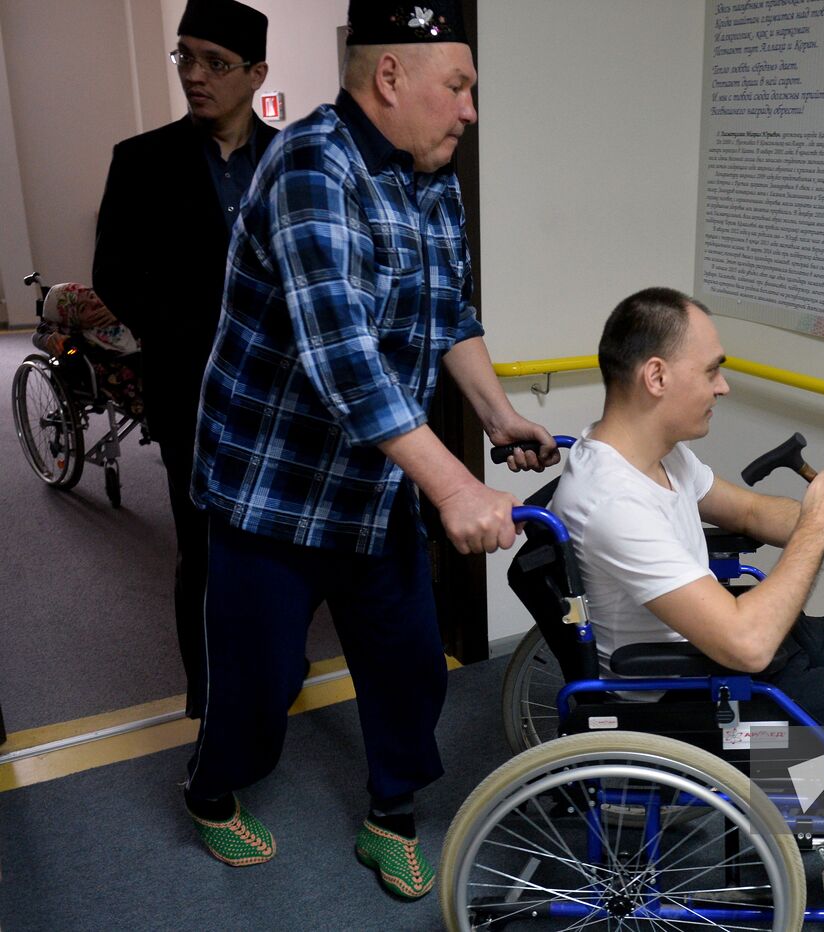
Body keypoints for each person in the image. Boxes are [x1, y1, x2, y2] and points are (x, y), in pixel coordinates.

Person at [181, 0, 557, 899]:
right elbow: (343, 360)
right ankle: (210, 790)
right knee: (257, 683)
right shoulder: (312, 166)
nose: (470, 110)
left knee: (408, 666)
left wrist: (498, 415)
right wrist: (459, 488)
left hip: (374, 490)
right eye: (458, 87)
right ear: (390, 78)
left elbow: (450, 318)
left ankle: (392, 816)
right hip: (270, 492)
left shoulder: (433, 175)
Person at [551, 286, 824, 905]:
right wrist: (816, 531)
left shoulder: (654, 457)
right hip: (688, 692)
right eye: (712, 370)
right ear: (656, 376)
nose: (723, 387)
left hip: (718, 652)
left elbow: (745, 508)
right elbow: (746, 644)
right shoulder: (615, 504)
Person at [93, 0, 279, 719]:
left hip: (285, 401)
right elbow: (114, 274)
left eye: (215, 63)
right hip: (191, 392)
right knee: (205, 553)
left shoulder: (291, 159)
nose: (195, 76)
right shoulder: (141, 161)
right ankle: (210, 697)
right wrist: (194, 339)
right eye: (185, 57)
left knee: (278, 553)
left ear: (256, 72)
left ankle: (276, 668)